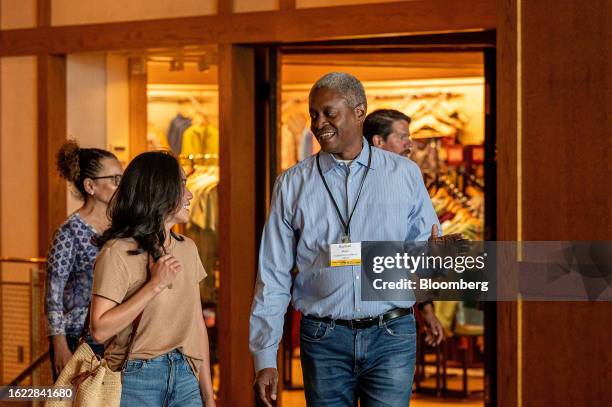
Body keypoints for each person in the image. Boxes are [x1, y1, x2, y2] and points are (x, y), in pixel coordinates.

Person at [250, 72, 450, 407]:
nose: (319, 123)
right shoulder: (291, 184)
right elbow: (272, 276)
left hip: (392, 334)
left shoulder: (404, 174)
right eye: (314, 114)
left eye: (329, 113)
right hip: (323, 337)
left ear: (359, 112)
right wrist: (265, 355)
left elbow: (425, 255)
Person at [90, 151, 215, 407]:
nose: (190, 194)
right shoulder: (118, 251)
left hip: (185, 375)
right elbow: (100, 330)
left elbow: (196, 324)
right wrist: (154, 285)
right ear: (159, 190)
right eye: (182, 186)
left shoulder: (188, 248)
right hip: (136, 379)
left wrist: (208, 397)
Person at [364, 108, 445, 348]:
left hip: (395, 320)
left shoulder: (410, 177)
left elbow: (417, 250)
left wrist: (427, 311)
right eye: (402, 137)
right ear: (378, 141)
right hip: (341, 323)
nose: (410, 144)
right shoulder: (348, 184)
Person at [45, 140, 123, 381]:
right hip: (77, 338)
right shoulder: (68, 232)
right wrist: (59, 344)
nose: (122, 186)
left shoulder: (122, 228)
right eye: (115, 180)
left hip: (115, 335)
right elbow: (53, 293)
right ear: (90, 186)